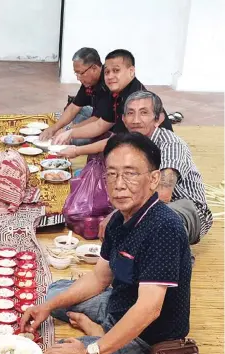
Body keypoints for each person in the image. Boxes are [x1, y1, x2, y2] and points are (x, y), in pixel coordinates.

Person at [20, 132, 192, 354]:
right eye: (112, 174)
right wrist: (48, 307)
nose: (119, 184)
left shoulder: (164, 227)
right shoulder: (118, 220)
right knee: (53, 294)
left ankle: (112, 345)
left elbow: (148, 310)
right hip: (119, 305)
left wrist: (91, 352)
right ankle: (102, 330)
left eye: (131, 173)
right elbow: (99, 279)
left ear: (154, 179)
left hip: (147, 337)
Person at [61, 91, 212, 244]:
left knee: (157, 220)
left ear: (158, 119)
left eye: (144, 113)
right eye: (131, 113)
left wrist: (117, 215)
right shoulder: (130, 141)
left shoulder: (170, 144)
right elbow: (107, 147)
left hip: (187, 209)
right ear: (124, 120)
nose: (136, 120)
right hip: (146, 201)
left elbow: (164, 194)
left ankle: (176, 258)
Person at [50, 49, 173, 146]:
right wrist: (68, 132)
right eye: (107, 72)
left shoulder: (132, 99)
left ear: (131, 71)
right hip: (126, 139)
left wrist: (75, 146)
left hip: (150, 151)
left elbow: (115, 141)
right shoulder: (115, 90)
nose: (110, 76)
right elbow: (100, 124)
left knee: (96, 152)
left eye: (116, 71)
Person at [40, 47, 108, 145]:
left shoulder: (109, 83)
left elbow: (99, 119)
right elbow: (74, 107)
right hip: (96, 114)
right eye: (76, 73)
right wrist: (54, 128)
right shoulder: (89, 82)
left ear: (94, 68)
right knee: (80, 111)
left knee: (75, 139)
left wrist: (69, 131)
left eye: (80, 73)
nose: (78, 78)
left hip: (107, 124)